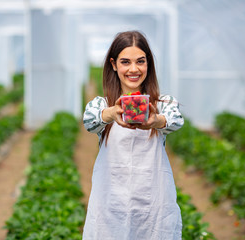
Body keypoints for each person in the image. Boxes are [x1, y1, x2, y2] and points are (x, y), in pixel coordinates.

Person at [82, 30, 184, 239]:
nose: (134, 69)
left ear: (148, 64)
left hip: (153, 201)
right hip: (111, 203)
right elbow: (89, 122)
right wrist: (111, 113)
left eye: (141, 61)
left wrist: (156, 121)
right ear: (113, 64)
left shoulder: (163, 104)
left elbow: (176, 121)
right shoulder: (102, 105)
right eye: (125, 62)